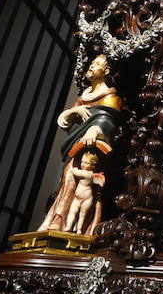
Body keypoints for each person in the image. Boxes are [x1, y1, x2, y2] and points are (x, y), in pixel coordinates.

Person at [38, 53, 121, 233]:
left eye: (96, 64)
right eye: (91, 62)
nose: (91, 66)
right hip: (74, 148)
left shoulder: (110, 97)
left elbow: (108, 121)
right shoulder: (84, 96)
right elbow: (66, 122)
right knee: (66, 182)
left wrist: (97, 128)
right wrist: (71, 112)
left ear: (106, 70)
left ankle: (70, 225)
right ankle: (58, 222)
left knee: (75, 183)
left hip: (91, 150)